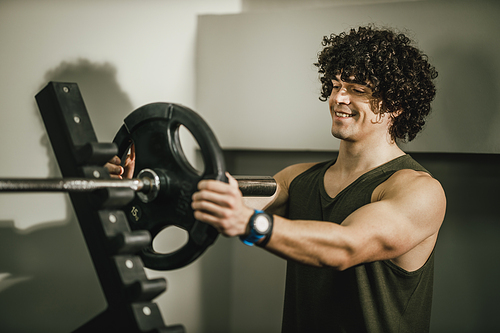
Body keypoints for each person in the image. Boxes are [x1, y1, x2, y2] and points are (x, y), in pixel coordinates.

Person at [107, 26, 446, 332]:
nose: (338, 99)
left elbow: (345, 246)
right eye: (336, 86)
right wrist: (144, 183)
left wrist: (252, 226)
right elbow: (218, 198)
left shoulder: (419, 191)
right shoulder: (296, 178)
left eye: (357, 89)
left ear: (396, 105)